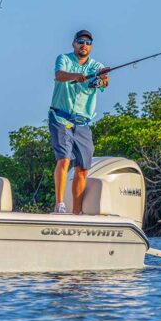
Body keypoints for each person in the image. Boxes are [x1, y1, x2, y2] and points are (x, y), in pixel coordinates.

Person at [49, 29, 109, 214]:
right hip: (61, 117)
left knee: (82, 167)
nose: (84, 45)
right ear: (74, 44)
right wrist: (75, 76)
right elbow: (59, 75)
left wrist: (101, 79)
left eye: (88, 43)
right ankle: (59, 204)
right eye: (81, 41)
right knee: (64, 158)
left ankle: (77, 212)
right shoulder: (64, 59)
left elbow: (104, 80)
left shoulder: (95, 65)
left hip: (83, 122)